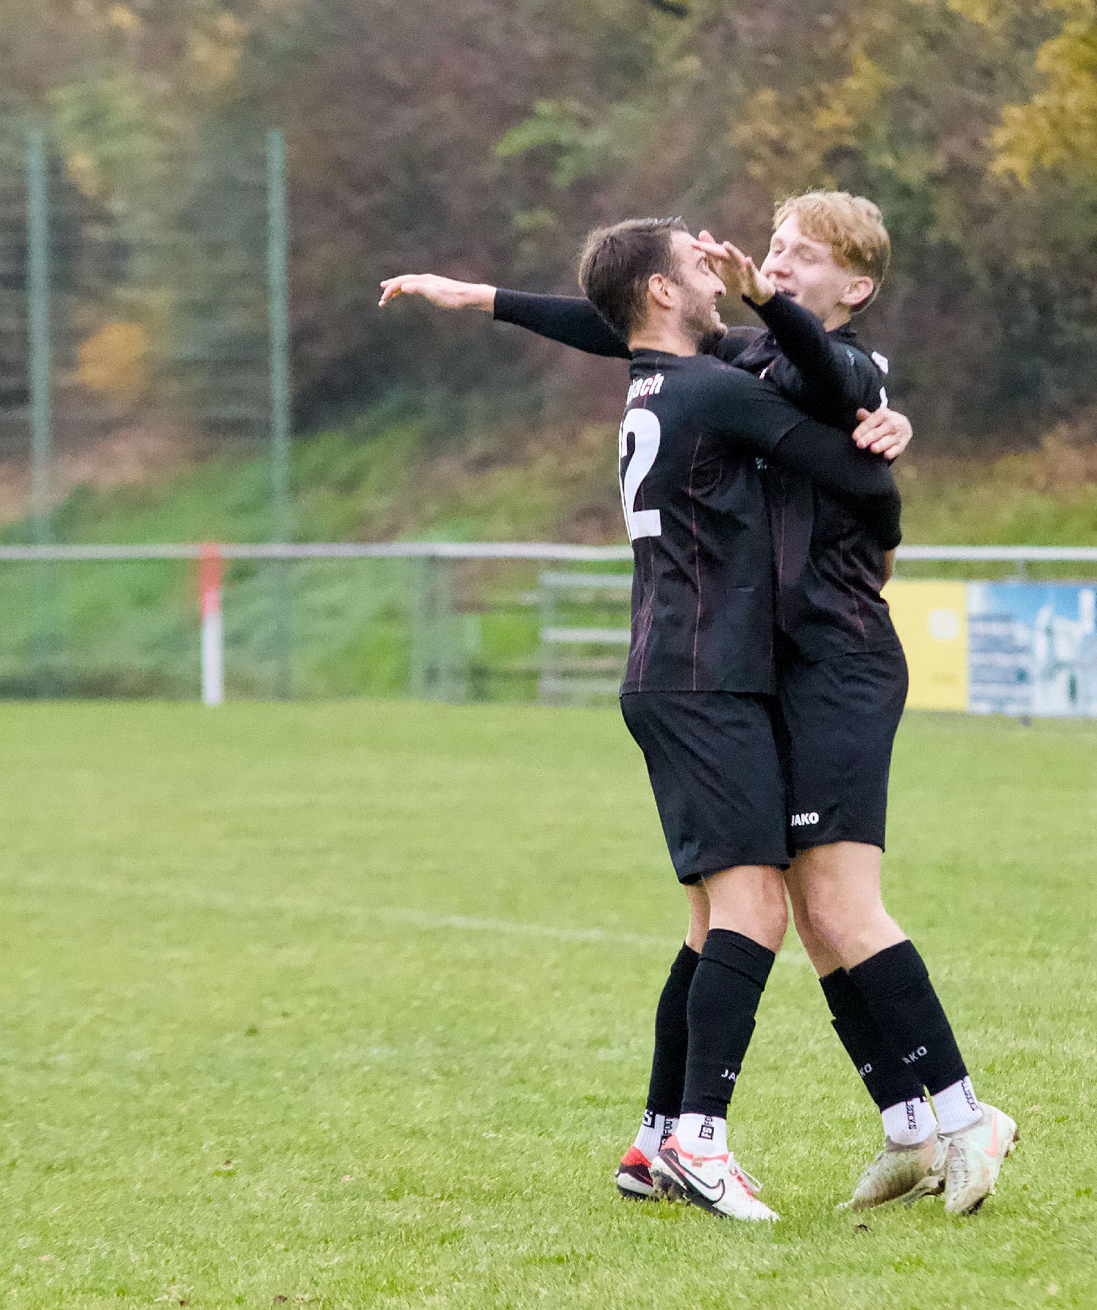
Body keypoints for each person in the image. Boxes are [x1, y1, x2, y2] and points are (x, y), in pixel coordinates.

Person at [380, 193, 1015, 1217]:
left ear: (852, 287)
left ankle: (956, 1110)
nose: (761, 264)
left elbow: (841, 419)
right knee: (787, 914)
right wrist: (486, 297)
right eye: (766, 249)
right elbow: (633, 322)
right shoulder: (730, 366)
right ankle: (895, 1127)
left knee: (824, 906)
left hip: (835, 654)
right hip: (751, 666)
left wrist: (881, 453)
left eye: (796, 256)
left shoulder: (849, 369)